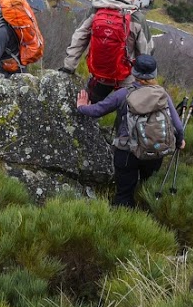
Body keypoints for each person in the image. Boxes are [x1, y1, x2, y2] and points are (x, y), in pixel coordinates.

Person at [76, 55, 185, 209]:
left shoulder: (123, 94)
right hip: (154, 151)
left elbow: (97, 110)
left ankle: (124, 223)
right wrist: (180, 141)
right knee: (148, 189)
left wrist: (81, 106)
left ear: (134, 72)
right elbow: (178, 126)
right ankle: (147, 220)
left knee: (124, 194)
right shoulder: (163, 95)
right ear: (154, 74)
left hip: (127, 152)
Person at [61, 0, 154, 103]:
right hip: (125, 77)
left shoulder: (97, 9)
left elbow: (80, 36)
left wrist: (69, 66)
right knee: (126, 114)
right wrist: (145, 80)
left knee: (89, 107)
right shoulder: (136, 17)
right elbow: (147, 51)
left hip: (99, 74)